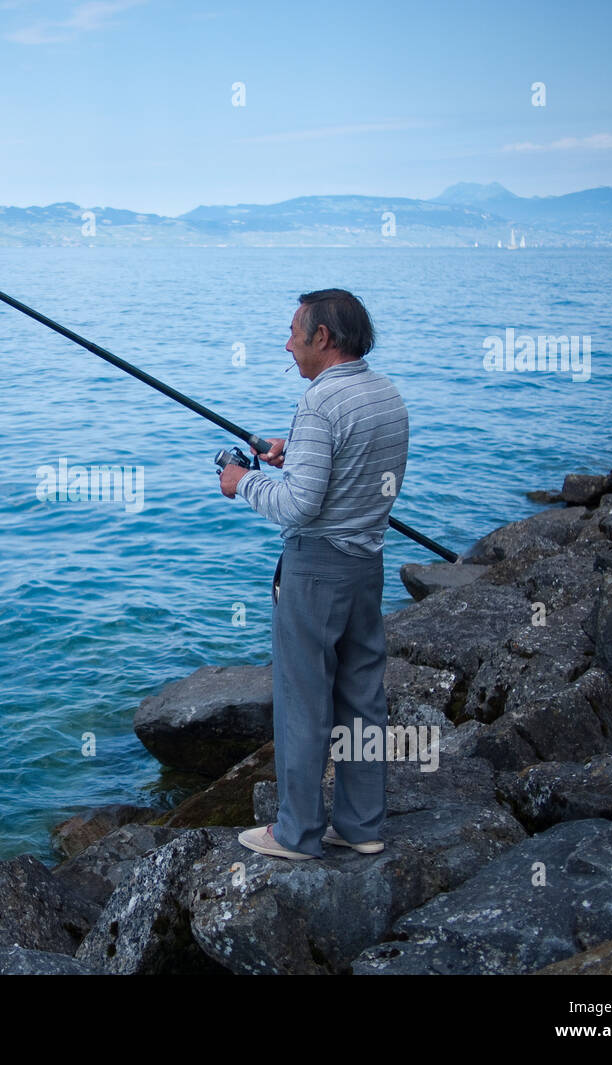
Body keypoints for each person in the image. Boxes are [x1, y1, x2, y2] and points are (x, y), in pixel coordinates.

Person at [217, 289, 408, 860]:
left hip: (315, 571)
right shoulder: (385, 393)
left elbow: (298, 507)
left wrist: (242, 482)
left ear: (321, 337)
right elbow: (354, 471)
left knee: (303, 699)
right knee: (362, 696)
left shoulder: (320, 403)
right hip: (366, 566)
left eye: (293, 332)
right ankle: (361, 825)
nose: (287, 344)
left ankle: (296, 833)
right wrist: (296, 452)